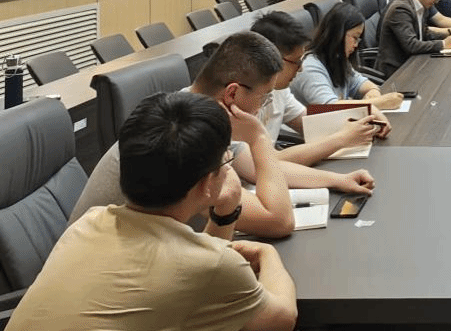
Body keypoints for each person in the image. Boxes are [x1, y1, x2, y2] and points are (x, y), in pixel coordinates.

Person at [1, 91, 347, 331]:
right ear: (208, 184)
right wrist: (268, 255)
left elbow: (200, 280)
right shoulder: (208, 266)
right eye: (225, 162)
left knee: (233, 319)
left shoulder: (90, 222)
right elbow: (282, 319)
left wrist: (225, 213)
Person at [71, 32, 374, 239]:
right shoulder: (186, 138)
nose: (264, 106)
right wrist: (258, 137)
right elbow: (279, 220)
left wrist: (337, 180)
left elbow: (260, 169)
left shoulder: (191, 107)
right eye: (264, 97)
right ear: (232, 93)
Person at [251, 9, 391, 160]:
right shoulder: (242, 103)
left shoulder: (280, 90)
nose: (301, 68)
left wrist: (366, 114)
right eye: (296, 62)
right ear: (272, 60)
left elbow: (311, 124)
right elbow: (264, 163)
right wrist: (342, 138)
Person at [292, 2, 403, 110]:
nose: (356, 45)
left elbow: (359, 82)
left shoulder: (337, 58)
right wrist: (379, 102)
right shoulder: (309, 67)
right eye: (355, 38)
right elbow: (329, 107)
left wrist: (373, 91)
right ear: (338, 34)